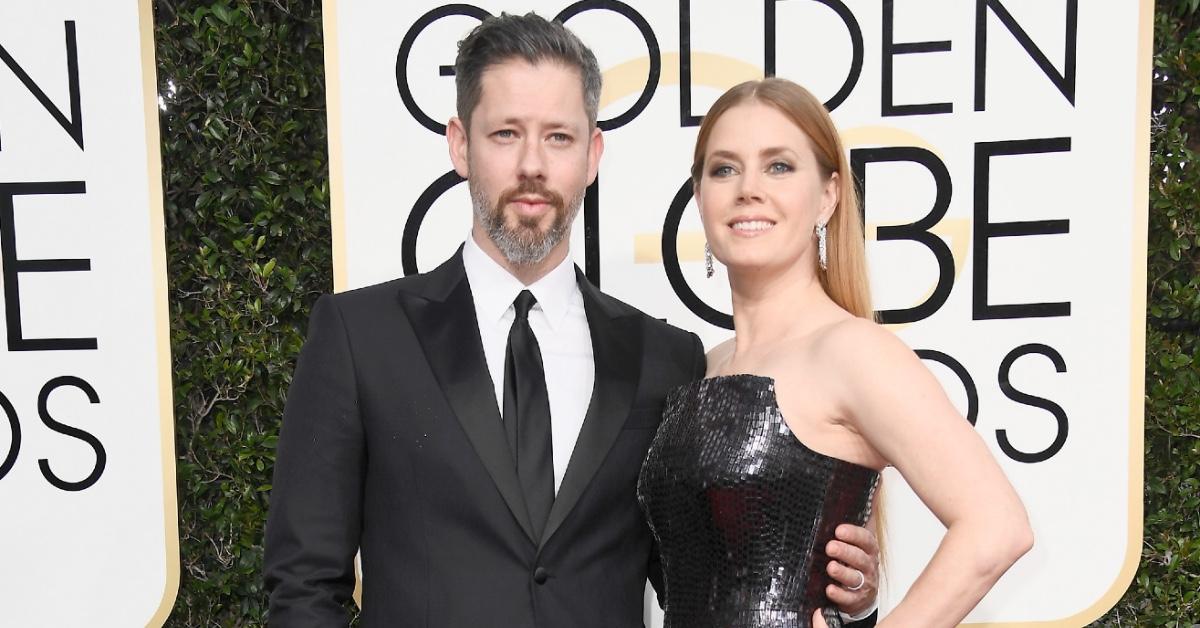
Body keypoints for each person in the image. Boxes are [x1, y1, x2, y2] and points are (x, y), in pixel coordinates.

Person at [264, 14, 881, 627]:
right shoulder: (361, 335)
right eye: (506, 134)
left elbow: (702, 587)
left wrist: (837, 594)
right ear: (460, 145)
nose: (532, 164)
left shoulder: (664, 359)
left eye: (558, 137)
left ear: (592, 153)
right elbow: (303, 586)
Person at [636, 78, 1034, 628]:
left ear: (828, 195)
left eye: (779, 166)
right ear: (700, 198)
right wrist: (859, 600)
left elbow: (998, 525)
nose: (749, 188)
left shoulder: (853, 352)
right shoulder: (701, 366)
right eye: (725, 168)